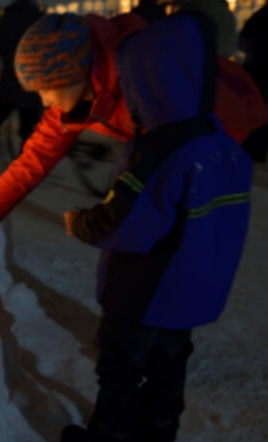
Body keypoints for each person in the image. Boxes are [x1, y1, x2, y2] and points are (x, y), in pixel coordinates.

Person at [60, 13, 253, 442]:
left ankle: (108, 436)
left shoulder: (156, 151)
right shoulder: (220, 142)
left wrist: (80, 223)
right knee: (170, 367)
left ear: (148, 82)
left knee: (120, 371)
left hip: (143, 292)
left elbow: (124, 224)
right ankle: (160, 433)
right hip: (190, 293)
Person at [0, 12, 267, 239]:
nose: (44, 101)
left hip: (237, 123)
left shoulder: (141, 74)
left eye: (45, 88)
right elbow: (32, 161)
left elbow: (204, 138)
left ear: (70, 74)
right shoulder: (70, 104)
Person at [0, 0, 44, 150]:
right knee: (28, 125)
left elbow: (0, 47)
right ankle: (25, 160)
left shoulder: (9, 14)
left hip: (12, 73)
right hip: (32, 77)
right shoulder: (39, 15)